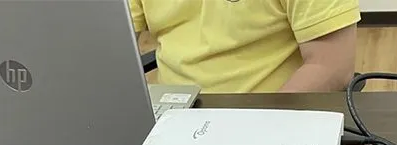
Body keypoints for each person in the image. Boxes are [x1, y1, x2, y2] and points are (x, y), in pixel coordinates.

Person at [129, 0, 361, 93]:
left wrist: (258, 127)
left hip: (268, 117)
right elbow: (114, 41)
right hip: (172, 119)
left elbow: (332, 66)